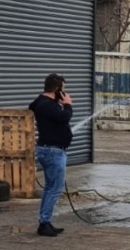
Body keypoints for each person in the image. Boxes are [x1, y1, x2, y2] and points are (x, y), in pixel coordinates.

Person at [29, 73, 73, 237]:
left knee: (49, 188)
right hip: (53, 152)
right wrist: (67, 105)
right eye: (63, 90)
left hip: (50, 150)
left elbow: (32, 105)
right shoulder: (47, 105)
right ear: (57, 89)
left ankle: (45, 221)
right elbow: (64, 117)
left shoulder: (44, 103)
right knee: (55, 189)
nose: (65, 94)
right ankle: (44, 223)